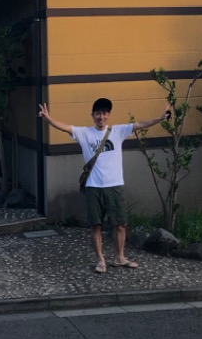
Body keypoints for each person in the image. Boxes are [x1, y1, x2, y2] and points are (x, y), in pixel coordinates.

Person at [38, 97, 171, 274]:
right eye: (98, 113)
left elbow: (140, 124)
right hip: (93, 186)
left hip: (114, 185)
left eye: (104, 113)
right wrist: (48, 118)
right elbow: (65, 127)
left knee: (121, 224)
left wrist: (161, 118)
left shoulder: (118, 131)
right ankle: (101, 260)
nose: (101, 116)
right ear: (92, 115)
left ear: (108, 115)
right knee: (96, 225)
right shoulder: (84, 133)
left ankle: (119, 257)